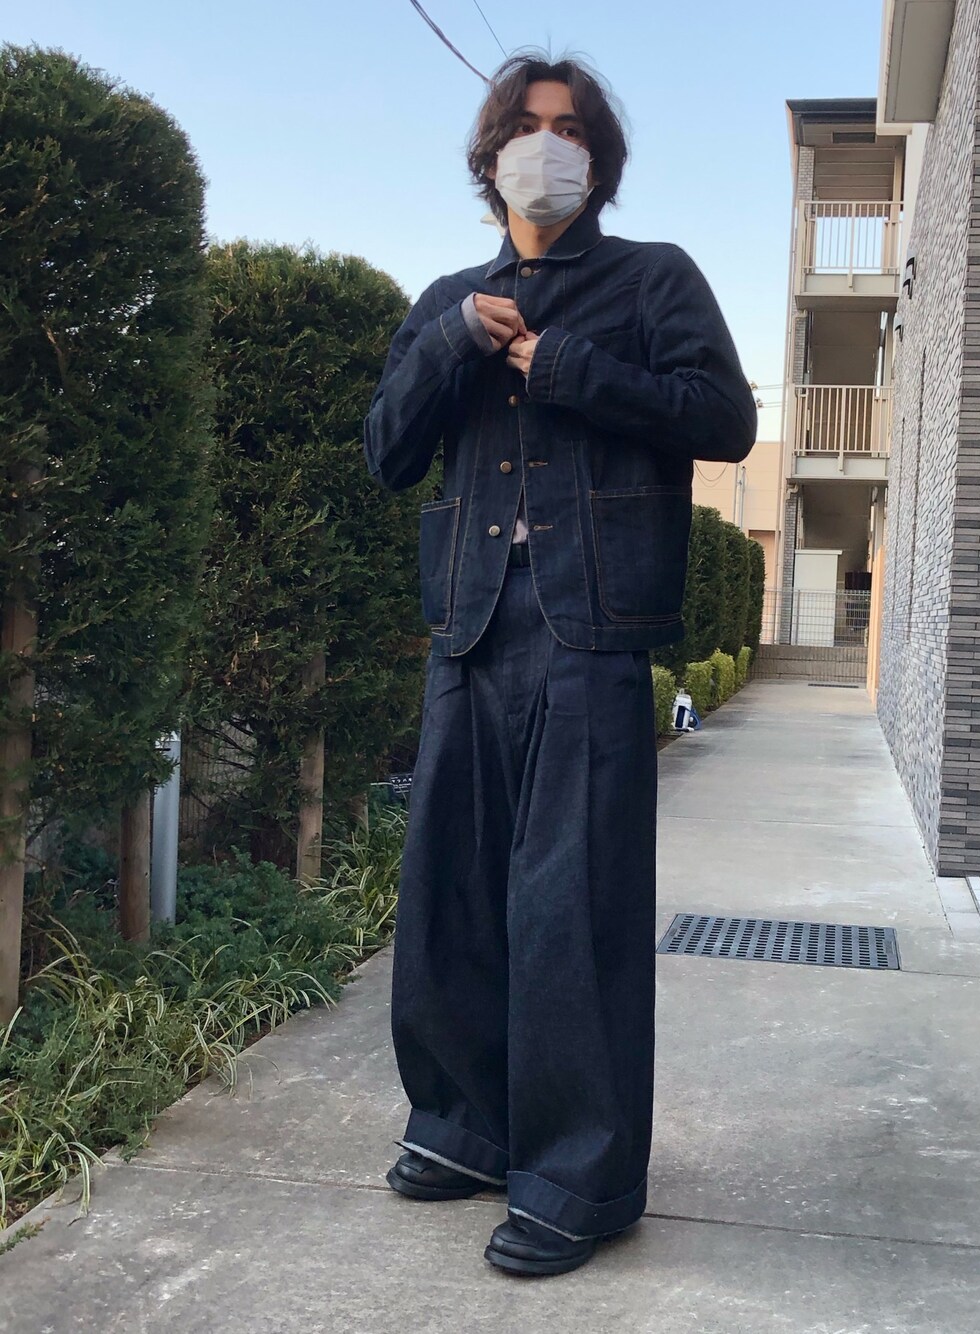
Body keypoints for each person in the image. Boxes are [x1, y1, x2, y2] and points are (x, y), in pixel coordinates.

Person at [364, 52, 756, 1278]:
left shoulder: (652, 279)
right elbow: (386, 451)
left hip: (592, 624)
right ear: (491, 158)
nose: (550, 146)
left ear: (601, 160)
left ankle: (577, 1178)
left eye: (573, 129)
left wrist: (570, 367)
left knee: (570, 907)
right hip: (472, 625)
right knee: (451, 893)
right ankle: (464, 1126)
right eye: (529, 127)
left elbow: (725, 419)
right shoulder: (449, 300)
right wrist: (451, 345)